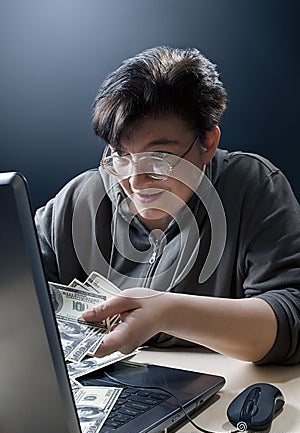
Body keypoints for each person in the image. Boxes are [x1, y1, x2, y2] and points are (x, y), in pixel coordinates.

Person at [35, 46, 300, 366]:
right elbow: (18, 289)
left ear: (208, 143)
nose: (135, 181)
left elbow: (291, 317)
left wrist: (169, 312)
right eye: (121, 156)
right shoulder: (79, 200)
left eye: (159, 159)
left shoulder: (253, 187)